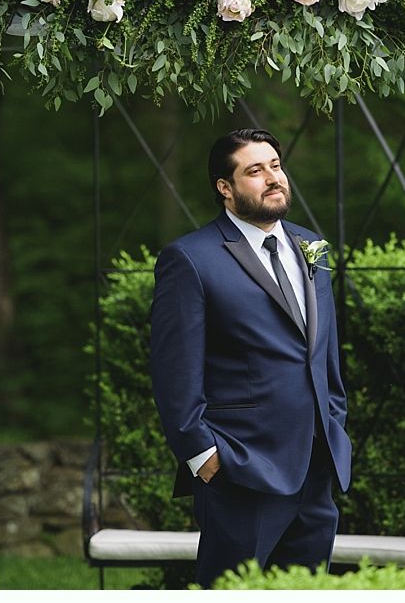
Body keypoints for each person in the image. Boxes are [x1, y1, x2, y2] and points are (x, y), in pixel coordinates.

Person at [150, 128, 351, 588]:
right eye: (254, 171)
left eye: (275, 166)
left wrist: (334, 421)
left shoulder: (311, 247)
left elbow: (323, 353)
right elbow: (173, 369)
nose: (272, 178)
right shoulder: (191, 258)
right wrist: (203, 455)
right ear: (226, 187)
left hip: (316, 465)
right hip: (241, 468)